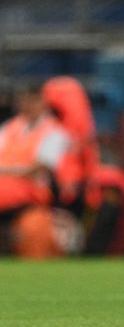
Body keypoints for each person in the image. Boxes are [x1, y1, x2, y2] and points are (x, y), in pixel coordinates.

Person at [0, 83, 70, 258]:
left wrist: (8, 172)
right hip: (5, 191)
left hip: (31, 196)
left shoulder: (55, 132)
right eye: (24, 100)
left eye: (33, 100)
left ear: (44, 103)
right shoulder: (9, 128)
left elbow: (41, 167)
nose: (28, 105)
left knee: (34, 230)